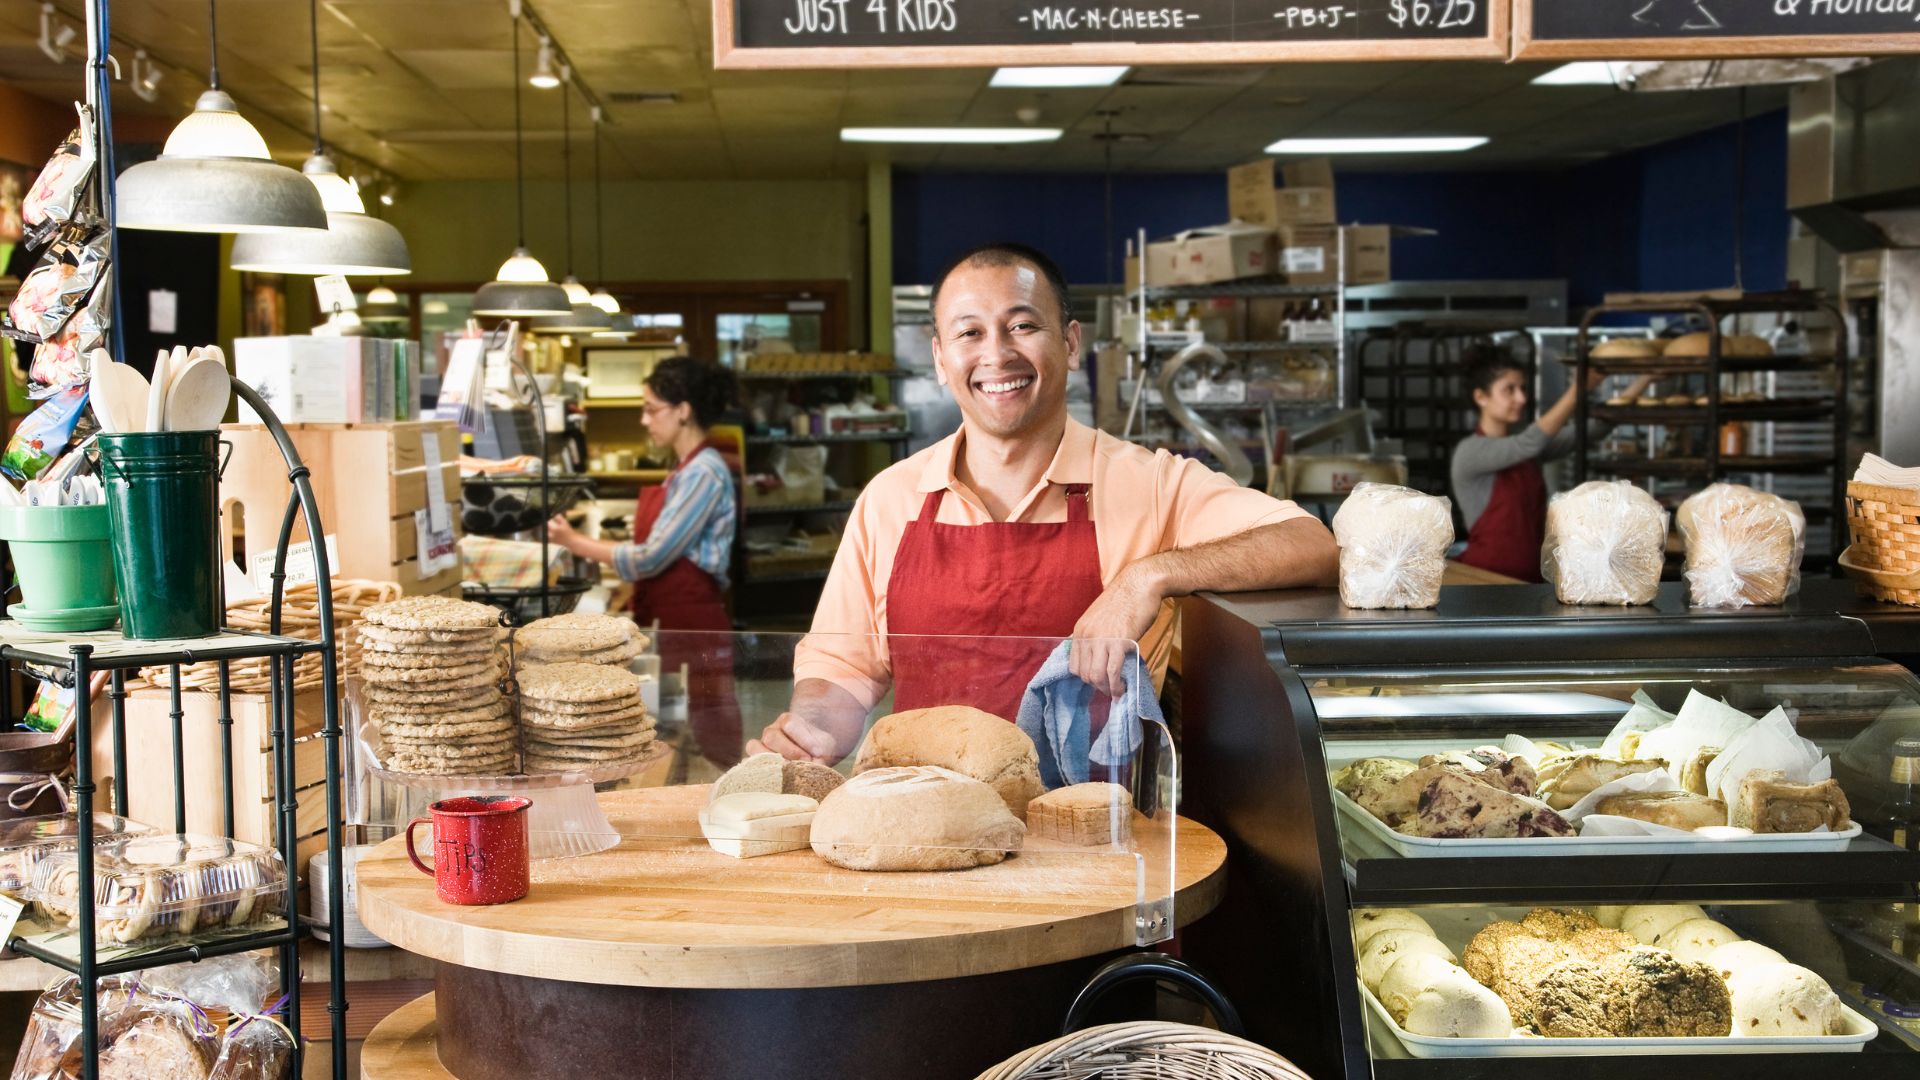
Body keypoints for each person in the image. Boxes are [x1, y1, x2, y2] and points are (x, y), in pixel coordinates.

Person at [749, 242, 1339, 764]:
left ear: (1071, 341)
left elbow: (1312, 543)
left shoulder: (1151, 484)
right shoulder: (892, 498)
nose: (996, 354)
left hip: (1089, 834)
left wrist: (1148, 577)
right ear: (939, 360)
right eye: (969, 332)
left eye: (1023, 325)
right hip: (926, 828)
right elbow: (843, 672)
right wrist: (815, 731)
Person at [547, 355, 742, 764]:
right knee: (689, 724)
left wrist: (574, 541)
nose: (643, 420)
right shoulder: (685, 469)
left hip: (695, 619)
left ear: (683, 410)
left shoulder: (702, 473)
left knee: (711, 725)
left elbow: (652, 557)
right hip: (679, 617)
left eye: (651, 409)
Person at [1450, 351, 1653, 582]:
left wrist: (1644, 380)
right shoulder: (1470, 452)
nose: (1521, 398)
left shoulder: (1528, 450)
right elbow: (1530, 442)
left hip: (1530, 582)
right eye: (1509, 389)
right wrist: (1579, 388)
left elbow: (1593, 429)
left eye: (1522, 388)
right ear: (1481, 397)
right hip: (1485, 581)